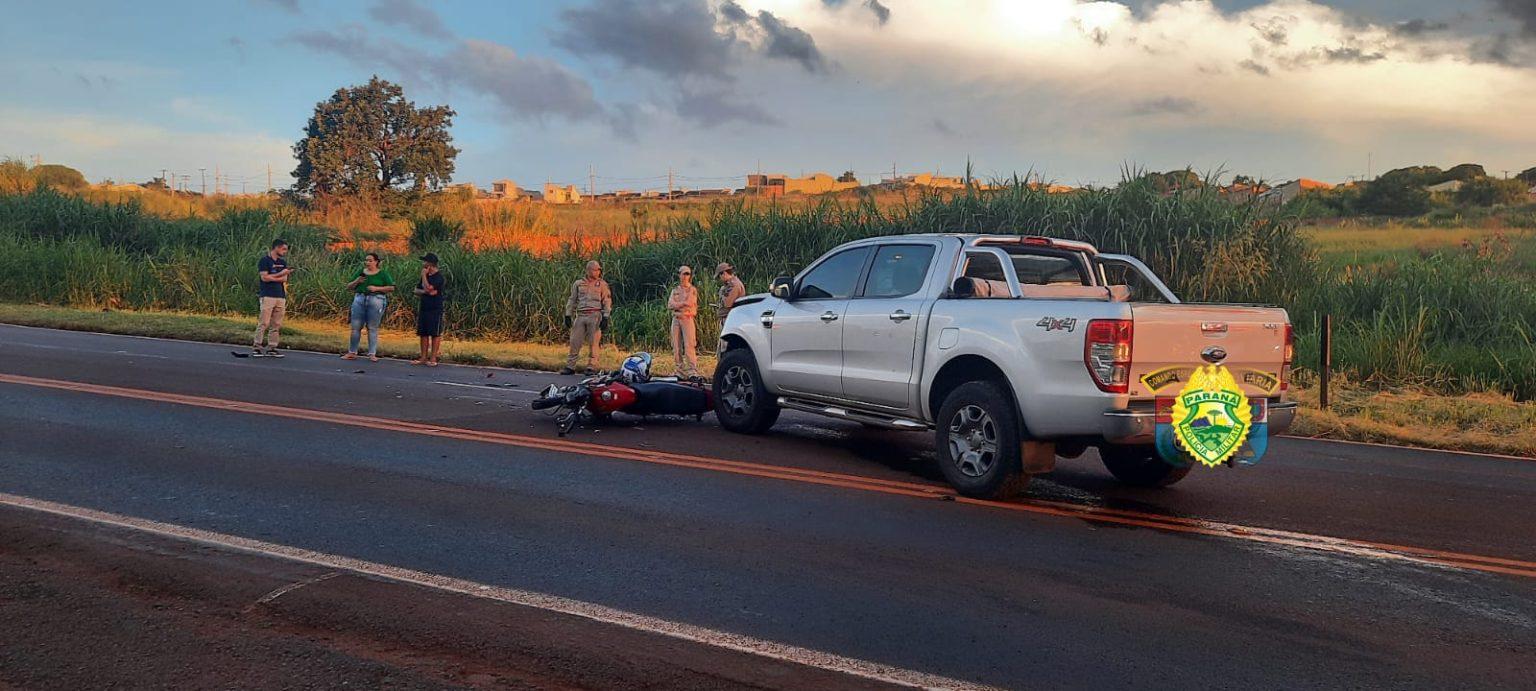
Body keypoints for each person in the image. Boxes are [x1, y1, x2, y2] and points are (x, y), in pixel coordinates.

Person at [562, 260, 612, 375]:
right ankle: (570, 366)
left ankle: (591, 366)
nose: (597, 272)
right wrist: (568, 314)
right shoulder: (578, 284)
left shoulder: (602, 284)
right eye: (595, 270)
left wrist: (605, 317)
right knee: (575, 341)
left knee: (594, 343)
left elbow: (607, 301)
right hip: (581, 315)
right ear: (588, 270)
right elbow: (572, 299)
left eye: (598, 270)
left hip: (595, 315)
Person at [342, 252, 395, 362]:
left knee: (372, 327)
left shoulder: (383, 274)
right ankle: (352, 351)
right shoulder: (361, 272)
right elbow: (349, 286)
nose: (368, 263)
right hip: (360, 298)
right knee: (355, 326)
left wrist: (376, 288)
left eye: (370, 260)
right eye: (366, 260)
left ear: (376, 262)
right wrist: (357, 281)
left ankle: (372, 353)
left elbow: (391, 288)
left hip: (376, 299)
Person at [252, 238, 291, 358]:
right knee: (264, 322)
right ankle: (257, 346)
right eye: (283, 249)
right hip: (267, 294)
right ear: (277, 248)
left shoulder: (283, 262)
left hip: (280, 295)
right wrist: (280, 274)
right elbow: (264, 278)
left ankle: (272, 347)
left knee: (276, 323)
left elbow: (284, 279)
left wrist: (273, 277)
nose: (285, 252)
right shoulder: (265, 261)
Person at [412, 253, 446, 367]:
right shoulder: (426, 276)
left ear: (430, 264)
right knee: (423, 333)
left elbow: (428, 288)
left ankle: (433, 358)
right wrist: (426, 292)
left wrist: (424, 277)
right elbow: (417, 290)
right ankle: (423, 357)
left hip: (435, 308)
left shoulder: (438, 277)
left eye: (425, 262)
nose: (423, 264)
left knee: (435, 334)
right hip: (424, 307)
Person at [667, 265, 700, 379]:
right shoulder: (675, 290)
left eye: (688, 274)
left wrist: (678, 305)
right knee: (676, 345)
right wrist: (682, 304)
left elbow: (690, 303)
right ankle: (679, 370)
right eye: (684, 274)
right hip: (676, 319)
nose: (686, 276)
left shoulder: (692, 290)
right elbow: (670, 304)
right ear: (679, 275)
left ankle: (692, 371)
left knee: (689, 345)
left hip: (687, 318)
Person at [714, 262, 745, 327]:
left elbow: (727, 303)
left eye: (719, 276)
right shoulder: (730, 285)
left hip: (731, 319)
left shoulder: (734, 285)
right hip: (730, 318)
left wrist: (722, 292)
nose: (720, 279)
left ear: (724, 273)